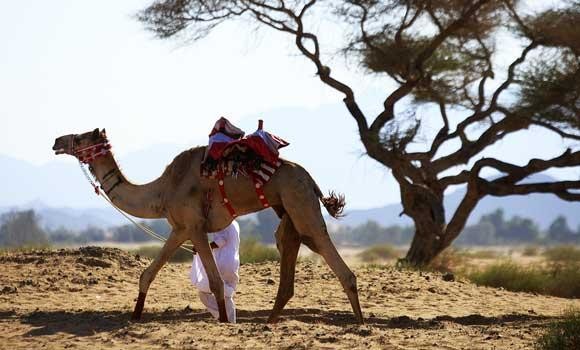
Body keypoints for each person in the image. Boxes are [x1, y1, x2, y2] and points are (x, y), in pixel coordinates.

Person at [190, 221, 240, 323]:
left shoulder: (223, 222)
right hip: (233, 263)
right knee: (226, 294)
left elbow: (220, 241)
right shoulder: (234, 223)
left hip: (222, 262)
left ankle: (224, 318)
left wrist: (202, 247)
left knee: (207, 292)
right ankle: (227, 319)